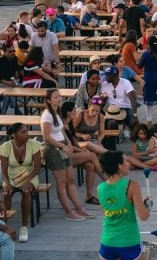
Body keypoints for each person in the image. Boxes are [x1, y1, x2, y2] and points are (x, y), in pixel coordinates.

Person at [40, 89, 93, 221]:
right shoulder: (46, 115)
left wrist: (68, 143)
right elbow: (46, 137)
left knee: (71, 180)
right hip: (53, 149)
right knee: (62, 182)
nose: (59, 99)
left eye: (59, 96)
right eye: (55, 97)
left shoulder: (56, 113)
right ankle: (68, 211)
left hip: (63, 146)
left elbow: (62, 130)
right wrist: (63, 146)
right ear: (48, 100)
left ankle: (79, 208)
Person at [98, 150, 152, 260]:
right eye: (126, 162)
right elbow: (144, 216)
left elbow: (106, 213)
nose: (128, 164)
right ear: (119, 166)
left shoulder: (100, 188)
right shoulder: (132, 185)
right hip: (129, 241)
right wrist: (147, 206)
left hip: (107, 242)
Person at [0, 123, 42, 243]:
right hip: (11, 176)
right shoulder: (6, 146)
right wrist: (7, 183)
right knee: (7, 193)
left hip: (30, 175)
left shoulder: (34, 144)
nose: (26, 134)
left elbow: (37, 167)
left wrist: (28, 180)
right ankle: (4, 225)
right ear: (14, 134)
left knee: (26, 191)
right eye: (23, 132)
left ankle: (24, 226)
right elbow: (3, 169)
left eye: (26, 131)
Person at [137, 36, 157, 126]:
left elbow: (139, 66)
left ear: (148, 44)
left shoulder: (145, 54)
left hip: (148, 80)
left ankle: (149, 122)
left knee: (148, 102)